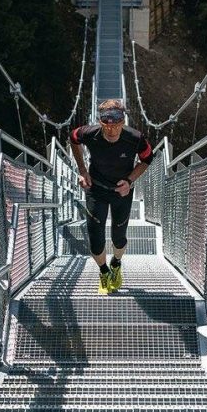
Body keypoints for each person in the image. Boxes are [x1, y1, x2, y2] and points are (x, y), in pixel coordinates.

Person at [70, 99, 154, 294]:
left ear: (123, 121)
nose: (111, 129)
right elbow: (73, 139)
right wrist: (82, 170)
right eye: (107, 124)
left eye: (116, 124)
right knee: (96, 239)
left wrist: (130, 181)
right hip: (96, 189)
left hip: (121, 191)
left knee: (119, 237)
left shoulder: (136, 138)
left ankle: (116, 263)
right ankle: (104, 271)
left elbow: (147, 159)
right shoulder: (88, 133)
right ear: (100, 122)